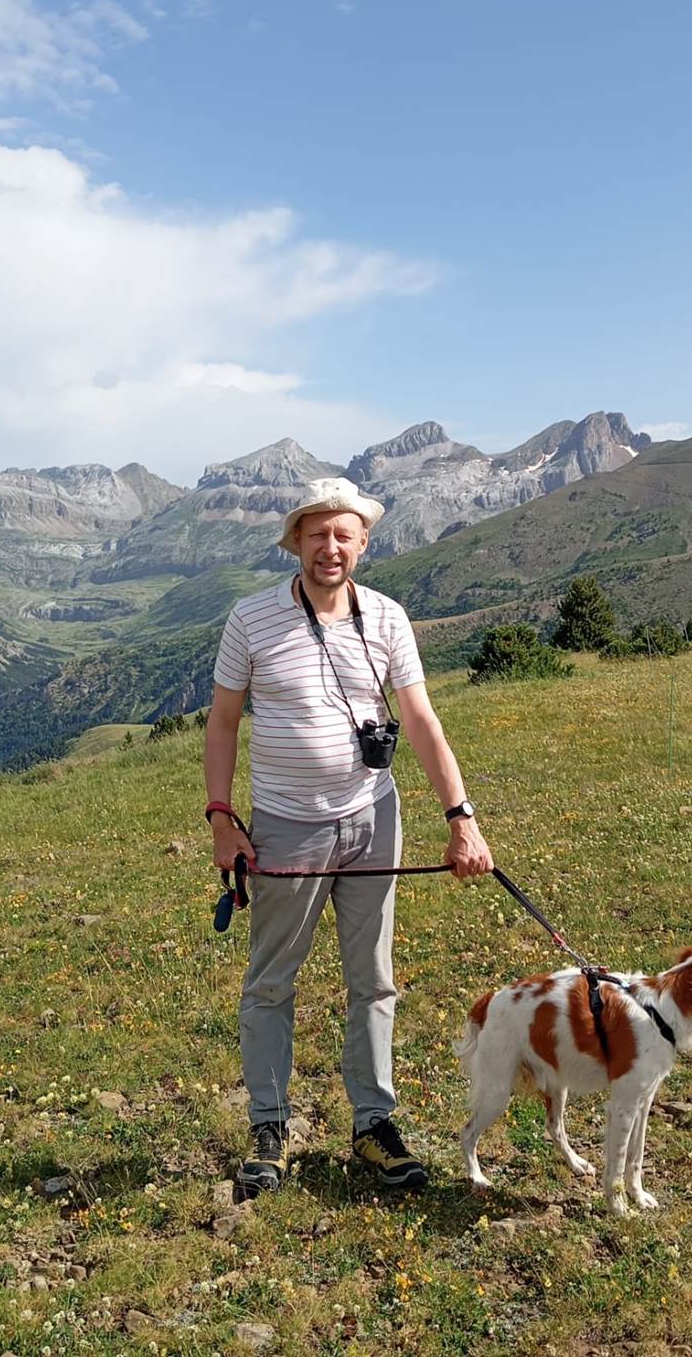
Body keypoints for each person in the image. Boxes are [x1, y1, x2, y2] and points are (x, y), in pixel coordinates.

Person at [204, 477, 493, 1196]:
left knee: (373, 979)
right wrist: (221, 818)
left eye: (343, 535)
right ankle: (269, 1127)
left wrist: (460, 817)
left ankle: (374, 1125)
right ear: (294, 542)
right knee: (271, 982)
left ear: (363, 543)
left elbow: (419, 719)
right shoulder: (251, 618)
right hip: (285, 826)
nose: (329, 548)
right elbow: (223, 720)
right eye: (316, 534)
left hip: (373, 820)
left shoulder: (388, 617)